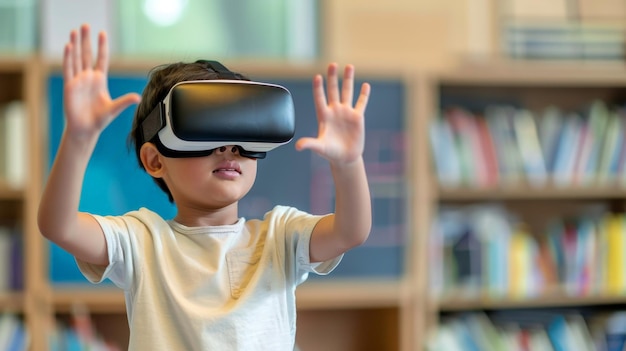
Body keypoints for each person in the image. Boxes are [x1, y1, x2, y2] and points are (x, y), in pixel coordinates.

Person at [38, 24, 372, 350]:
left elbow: (351, 231)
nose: (230, 148)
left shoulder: (280, 236)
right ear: (156, 160)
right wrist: (78, 140)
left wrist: (348, 164)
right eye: (206, 130)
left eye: (242, 130)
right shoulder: (142, 241)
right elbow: (60, 225)